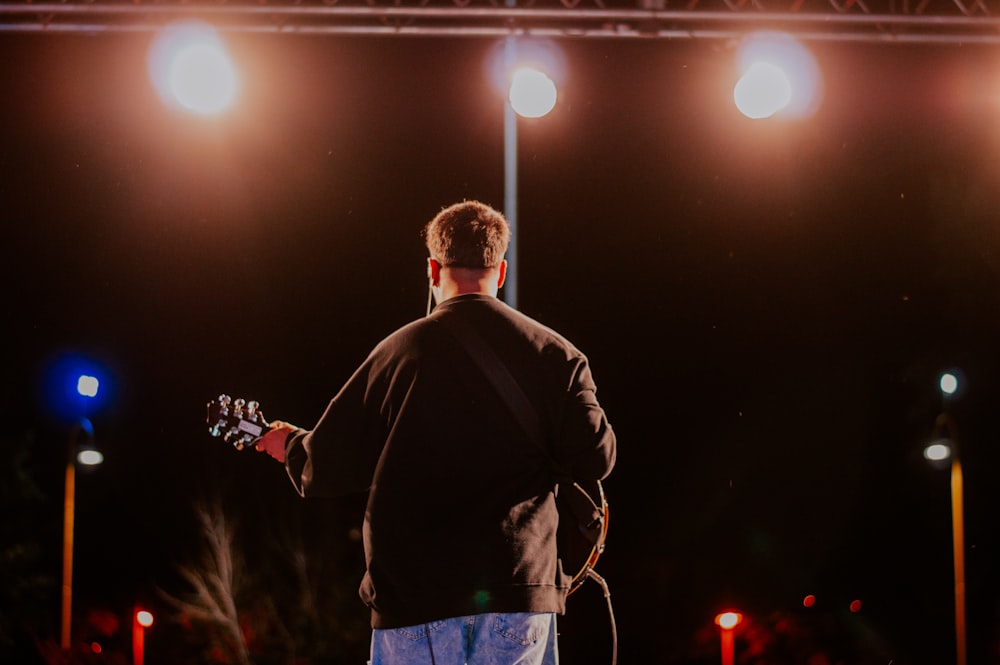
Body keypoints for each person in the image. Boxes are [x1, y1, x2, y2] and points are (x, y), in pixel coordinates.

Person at [255, 200, 616, 665]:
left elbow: (326, 467)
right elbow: (596, 458)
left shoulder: (397, 353)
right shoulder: (558, 356)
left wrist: (286, 444)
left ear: (432, 268)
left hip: (414, 601)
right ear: (501, 271)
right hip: (516, 595)